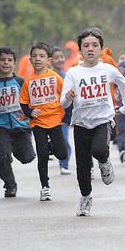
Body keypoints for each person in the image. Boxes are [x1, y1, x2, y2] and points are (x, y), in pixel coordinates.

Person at [61, 28, 125, 216]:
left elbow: (123, 84)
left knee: (99, 150)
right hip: (81, 124)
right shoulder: (73, 73)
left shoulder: (108, 69)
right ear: (80, 50)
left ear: (101, 49)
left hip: (102, 120)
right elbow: (63, 102)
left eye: (95, 45)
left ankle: (104, 161)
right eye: (86, 45)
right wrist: (68, 97)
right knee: (82, 166)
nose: (90, 49)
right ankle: (86, 198)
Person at [0, 48, 35, 197]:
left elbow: (30, 104)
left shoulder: (20, 82)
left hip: (21, 126)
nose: (5, 63)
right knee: (3, 157)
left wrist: (35, 121)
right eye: (2, 60)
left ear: (14, 63)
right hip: (1, 127)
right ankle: (10, 185)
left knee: (27, 157)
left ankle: (12, 151)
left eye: (9, 60)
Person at [19, 42, 68, 202]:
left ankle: (51, 147)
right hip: (38, 123)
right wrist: (30, 113)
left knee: (62, 154)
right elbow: (24, 102)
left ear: (49, 60)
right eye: (34, 56)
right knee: (42, 155)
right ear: (30, 60)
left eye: (41, 56)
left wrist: (67, 116)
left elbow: (66, 95)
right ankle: (45, 186)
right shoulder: (28, 81)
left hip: (54, 120)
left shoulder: (55, 78)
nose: (37, 59)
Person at [52, 46, 73, 175]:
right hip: (49, 115)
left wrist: (68, 117)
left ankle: (64, 164)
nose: (59, 60)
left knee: (64, 141)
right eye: (56, 57)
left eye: (61, 57)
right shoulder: (48, 77)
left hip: (63, 116)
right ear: (50, 60)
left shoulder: (68, 77)